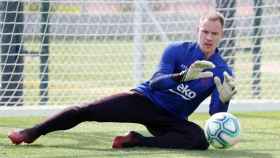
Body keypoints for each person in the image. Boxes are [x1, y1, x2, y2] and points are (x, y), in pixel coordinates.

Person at [8, 11, 236, 150]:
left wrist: (224, 102)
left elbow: (215, 116)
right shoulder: (176, 50)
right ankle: (32, 132)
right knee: (86, 110)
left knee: (199, 140)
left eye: (214, 33)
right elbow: (156, 82)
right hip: (144, 101)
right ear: (198, 30)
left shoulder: (222, 71)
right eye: (205, 31)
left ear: (221, 35)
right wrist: (183, 77)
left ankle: (137, 140)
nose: (208, 37)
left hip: (171, 119)